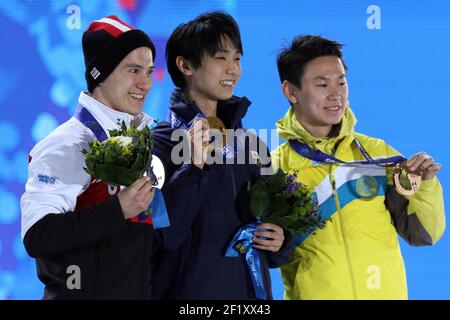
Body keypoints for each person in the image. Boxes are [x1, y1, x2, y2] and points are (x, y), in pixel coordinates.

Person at [272, 35, 445, 299]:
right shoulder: (273, 169)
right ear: (291, 92)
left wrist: (424, 186)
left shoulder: (376, 154)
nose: (336, 95)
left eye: (341, 82)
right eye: (322, 84)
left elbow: (424, 234)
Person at [20, 15, 172, 299]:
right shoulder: (68, 143)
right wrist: (118, 210)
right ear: (100, 74)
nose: (146, 83)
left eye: (150, 71)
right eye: (133, 70)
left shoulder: (142, 143)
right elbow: (37, 236)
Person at [151, 11, 294, 300]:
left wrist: (282, 240)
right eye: (221, 58)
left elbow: (281, 233)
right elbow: (163, 235)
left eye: (237, 59)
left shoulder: (250, 145)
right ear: (185, 64)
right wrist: (193, 166)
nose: (234, 70)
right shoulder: (160, 144)